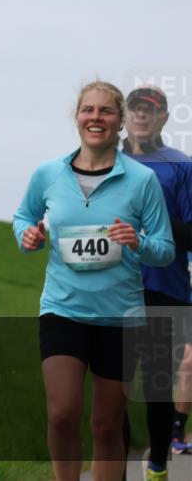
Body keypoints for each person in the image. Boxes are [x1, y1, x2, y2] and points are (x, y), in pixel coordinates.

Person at [13, 81, 175, 481]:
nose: (96, 118)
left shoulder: (141, 181)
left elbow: (165, 248)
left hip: (119, 316)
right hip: (63, 309)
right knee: (63, 412)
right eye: (88, 110)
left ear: (119, 120)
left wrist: (137, 241)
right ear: (77, 117)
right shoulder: (48, 173)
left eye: (105, 111)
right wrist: (28, 236)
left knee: (106, 425)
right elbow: (23, 217)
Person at [117, 85, 192, 480]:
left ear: (164, 118)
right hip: (112, 290)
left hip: (166, 289)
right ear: (125, 115)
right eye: (135, 109)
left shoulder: (181, 167)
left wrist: (150, 222)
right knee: (114, 388)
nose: (142, 116)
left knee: (158, 389)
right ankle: (121, 468)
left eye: (152, 110)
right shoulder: (103, 162)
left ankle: (158, 467)